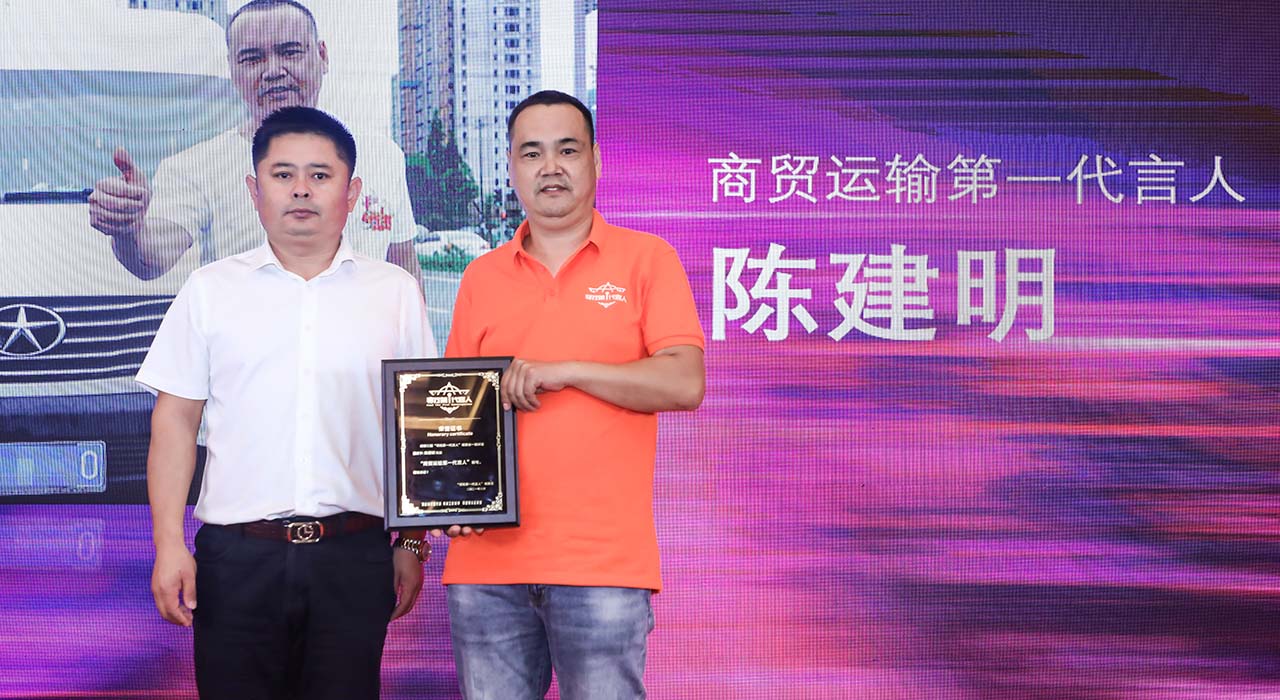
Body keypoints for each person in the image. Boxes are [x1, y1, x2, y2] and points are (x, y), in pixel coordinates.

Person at [138, 106, 436, 699]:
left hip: (354, 555)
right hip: (236, 559)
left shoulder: (395, 293)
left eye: (320, 175)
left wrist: (411, 542)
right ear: (255, 191)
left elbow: (421, 427)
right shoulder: (210, 290)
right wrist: (168, 544)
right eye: (283, 175)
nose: (301, 189)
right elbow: (175, 421)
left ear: (353, 192)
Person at [438, 90, 706, 699]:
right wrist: (440, 500)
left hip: (602, 564)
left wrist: (569, 371)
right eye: (532, 153)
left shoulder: (647, 259)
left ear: (596, 161)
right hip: (486, 564)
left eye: (567, 150)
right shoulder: (481, 276)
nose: (550, 167)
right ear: (511, 167)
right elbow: (455, 412)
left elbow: (684, 381)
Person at [88, 0, 422, 287]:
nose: (273, 71)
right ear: (232, 70)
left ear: (322, 56)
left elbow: (404, 270)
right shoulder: (195, 166)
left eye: (290, 52)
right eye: (252, 58)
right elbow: (151, 259)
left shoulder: (381, 155)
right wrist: (128, 230)